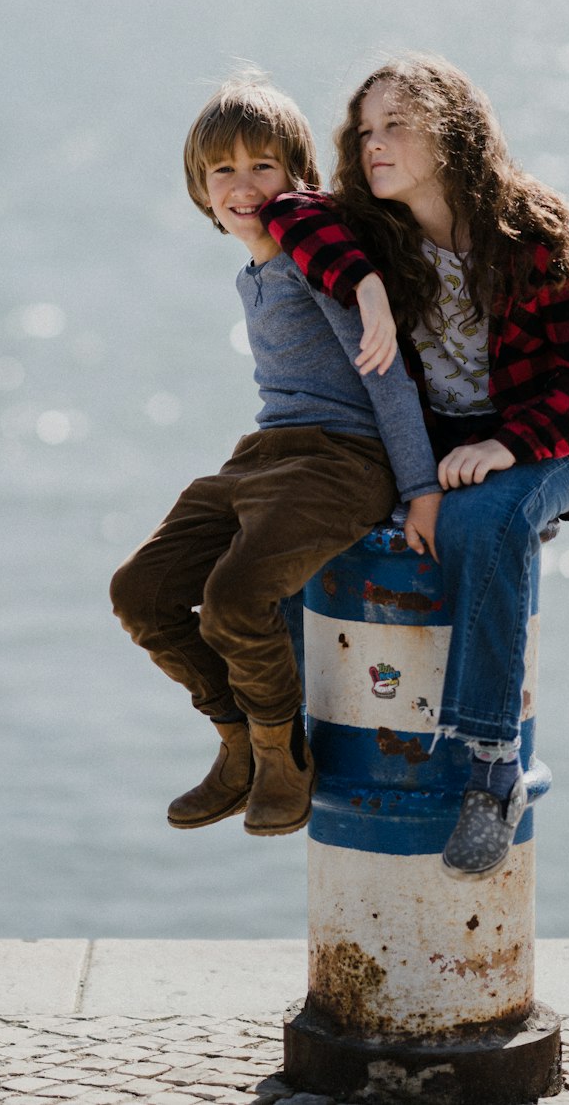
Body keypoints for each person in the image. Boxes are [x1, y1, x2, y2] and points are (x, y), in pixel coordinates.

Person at [259, 55, 569, 877]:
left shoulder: (529, 236)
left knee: (484, 521)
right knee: (286, 510)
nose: (374, 144)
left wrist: (509, 447)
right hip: (422, 447)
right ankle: (282, 745)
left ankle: (493, 769)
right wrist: (368, 288)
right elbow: (283, 208)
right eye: (365, 130)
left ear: (450, 136)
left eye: (398, 126)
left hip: (539, 445)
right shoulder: (368, 226)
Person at [110, 74, 441, 838]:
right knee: (142, 590)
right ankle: (235, 743)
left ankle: (280, 751)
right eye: (222, 170)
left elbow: (384, 370)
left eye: (264, 165)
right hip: (265, 454)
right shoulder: (250, 272)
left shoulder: (316, 254)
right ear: (201, 191)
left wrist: (419, 487)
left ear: (299, 179)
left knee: (235, 598)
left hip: (344, 460)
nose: (244, 185)